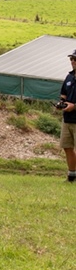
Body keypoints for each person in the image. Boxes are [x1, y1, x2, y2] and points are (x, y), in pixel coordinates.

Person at [58, 49, 76, 182]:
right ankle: (71, 175)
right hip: (67, 119)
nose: (73, 61)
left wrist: (74, 106)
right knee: (67, 147)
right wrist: (62, 104)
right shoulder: (69, 77)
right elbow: (63, 94)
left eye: (75, 59)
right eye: (71, 59)